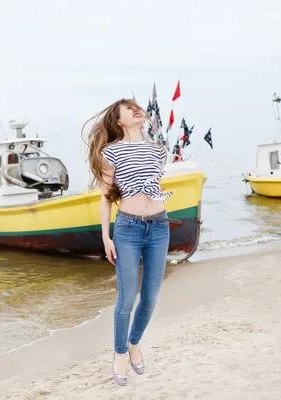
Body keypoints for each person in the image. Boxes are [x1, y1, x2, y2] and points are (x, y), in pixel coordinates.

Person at [82, 98, 179, 386]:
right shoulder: (110, 153)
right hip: (127, 229)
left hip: (159, 226)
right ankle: (120, 352)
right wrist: (105, 236)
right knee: (126, 299)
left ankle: (134, 342)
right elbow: (106, 196)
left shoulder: (157, 151)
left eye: (139, 108)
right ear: (119, 120)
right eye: (128, 109)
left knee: (149, 299)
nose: (137, 110)